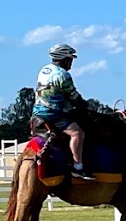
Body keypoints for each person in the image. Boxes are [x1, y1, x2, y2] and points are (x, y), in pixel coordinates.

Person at [34, 43, 94, 180]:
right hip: (54, 114)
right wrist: (84, 105)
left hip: (37, 113)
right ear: (64, 59)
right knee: (78, 133)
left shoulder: (44, 70)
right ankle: (78, 167)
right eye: (70, 60)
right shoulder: (63, 75)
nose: (71, 63)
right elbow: (74, 97)